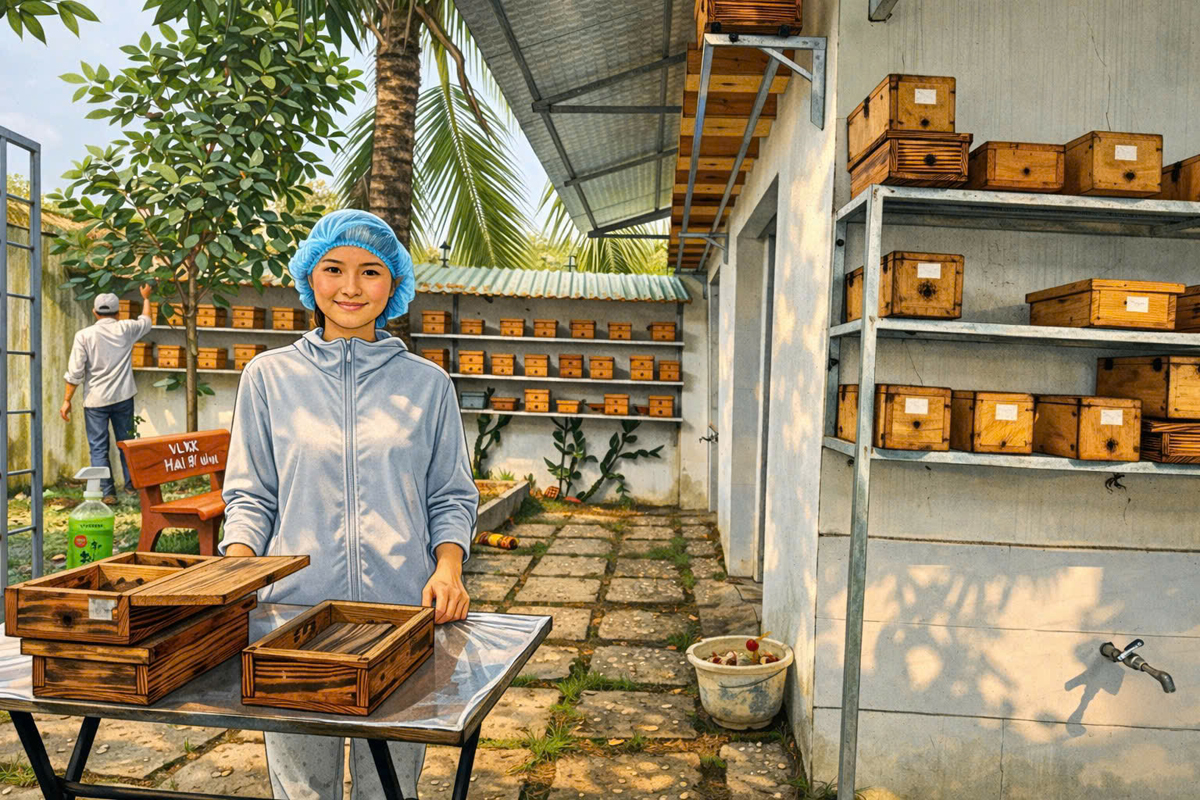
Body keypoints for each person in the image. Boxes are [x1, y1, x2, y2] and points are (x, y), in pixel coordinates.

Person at [219, 209, 478, 800]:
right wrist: (237, 574)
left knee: (388, 790)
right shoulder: (268, 377)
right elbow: (252, 495)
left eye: (371, 271)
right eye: (334, 269)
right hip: (292, 622)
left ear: (395, 286)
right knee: (303, 791)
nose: (351, 287)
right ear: (311, 276)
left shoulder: (427, 383)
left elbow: (451, 494)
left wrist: (448, 568)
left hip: (402, 617)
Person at [61, 285, 154, 504]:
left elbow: (75, 372)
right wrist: (146, 298)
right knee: (127, 443)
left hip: (95, 400)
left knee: (98, 446)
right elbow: (147, 321)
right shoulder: (126, 329)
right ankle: (131, 486)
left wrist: (67, 400)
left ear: (95, 312)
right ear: (118, 312)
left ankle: (107, 492)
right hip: (123, 396)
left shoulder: (84, 335)